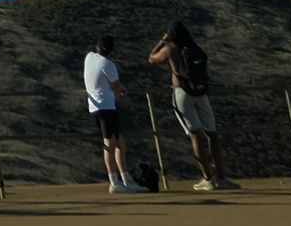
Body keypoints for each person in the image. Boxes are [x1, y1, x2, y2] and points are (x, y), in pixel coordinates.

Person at [149, 22, 232, 191]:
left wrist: (162, 40)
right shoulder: (194, 48)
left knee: (196, 136)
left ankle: (207, 179)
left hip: (182, 92)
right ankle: (222, 178)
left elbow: (152, 58)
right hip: (200, 93)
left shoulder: (172, 49)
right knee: (212, 135)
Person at [83, 36, 145, 193]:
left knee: (119, 143)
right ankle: (115, 181)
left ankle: (125, 179)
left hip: (97, 107)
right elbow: (117, 87)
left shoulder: (89, 57)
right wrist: (123, 90)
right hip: (106, 107)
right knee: (110, 144)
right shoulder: (108, 64)